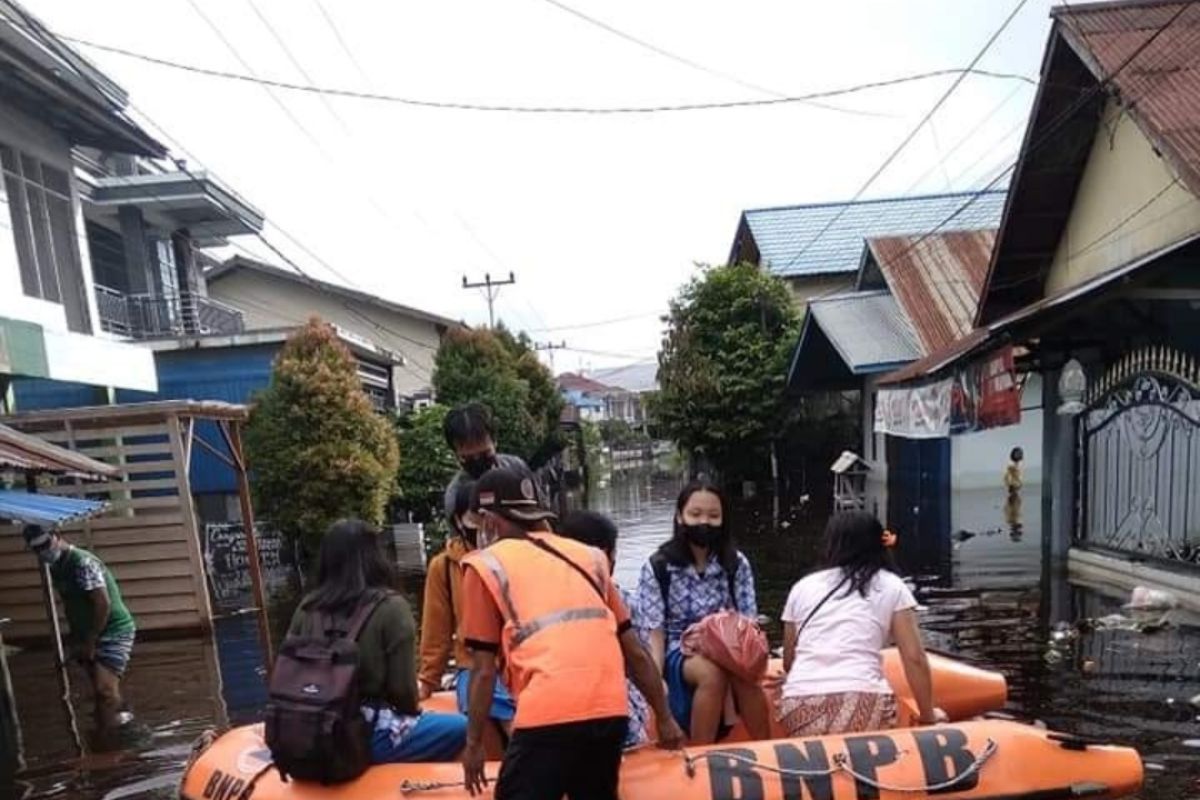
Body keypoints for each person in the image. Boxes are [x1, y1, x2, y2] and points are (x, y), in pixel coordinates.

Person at [459, 468, 684, 799]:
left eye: (478, 525)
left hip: (547, 713)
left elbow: (482, 670)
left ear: (489, 520)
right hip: (609, 711)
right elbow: (634, 651)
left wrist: (474, 744)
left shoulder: (485, 566)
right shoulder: (590, 557)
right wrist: (664, 717)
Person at [287, 519, 466, 763]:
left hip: (308, 729)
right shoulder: (392, 608)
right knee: (466, 728)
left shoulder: (306, 608)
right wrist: (415, 710)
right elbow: (403, 693)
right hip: (363, 733)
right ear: (375, 556)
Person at [778, 511, 942, 736]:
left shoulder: (802, 587)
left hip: (797, 705)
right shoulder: (892, 585)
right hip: (862, 702)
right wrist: (928, 717)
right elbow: (914, 658)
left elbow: (789, 662)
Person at [634, 481, 770, 744]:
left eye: (713, 516)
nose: (704, 522)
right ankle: (702, 753)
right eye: (695, 514)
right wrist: (655, 681)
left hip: (729, 644)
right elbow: (655, 631)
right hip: (680, 646)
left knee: (745, 677)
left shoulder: (735, 563)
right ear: (679, 516)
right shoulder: (658, 567)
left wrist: (752, 663)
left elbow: (748, 621)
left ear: (723, 520)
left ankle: (768, 748)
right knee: (711, 673)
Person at [418, 479, 516, 736]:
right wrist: (428, 681)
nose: (485, 522)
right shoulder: (444, 567)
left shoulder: (515, 555)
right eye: (477, 514)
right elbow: (435, 631)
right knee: (484, 694)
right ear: (459, 520)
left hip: (520, 660)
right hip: (474, 664)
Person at [23, 525, 135, 727]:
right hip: (86, 634)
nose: (43, 552)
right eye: (36, 549)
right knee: (100, 691)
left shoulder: (82, 562)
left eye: (45, 545)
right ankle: (108, 730)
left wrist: (91, 641)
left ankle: (129, 735)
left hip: (113, 630)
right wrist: (78, 641)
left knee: (105, 690)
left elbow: (103, 604)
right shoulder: (57, 567)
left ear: (57, 536)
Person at [557, 510, 652, 749]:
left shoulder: (541, 604)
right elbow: (639, 659)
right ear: (607, 555)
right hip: (612, 706)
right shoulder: (624, 601)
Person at [442, 403, 543, 521]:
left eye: (484, 454)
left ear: (495, 441)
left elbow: (540, 512)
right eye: (468, 458)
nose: (477, 461)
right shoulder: (455, 497)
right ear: (455, 454)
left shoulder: (516, 468)